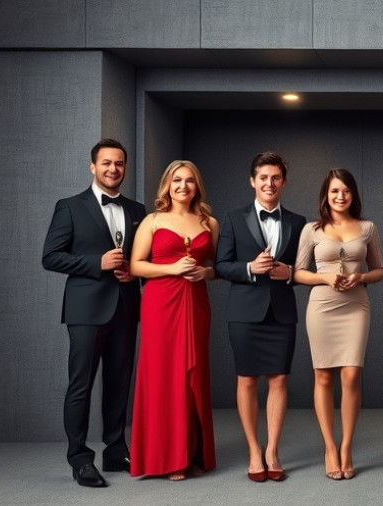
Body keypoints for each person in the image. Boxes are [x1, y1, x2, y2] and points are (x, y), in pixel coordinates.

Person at [42, 139, 147, 488]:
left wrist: (135, 272)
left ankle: (116, 451)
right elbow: (51, 256)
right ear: (92, 166)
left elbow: (145, 258)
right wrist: (95, 263)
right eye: (106, 163)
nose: (113, 169)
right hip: (86, 309)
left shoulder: (138, 210)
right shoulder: (70, 207)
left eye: (119, 164)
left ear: (124, 168)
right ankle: (80, 458)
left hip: (127, 306)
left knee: (119, 383)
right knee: (81, 385)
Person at [215, 151, 306, 483]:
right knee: (247, 381)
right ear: (253, 181)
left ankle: (273, 451)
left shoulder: (298, 222)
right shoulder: (233, 219)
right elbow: (220, 266)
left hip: (282, 313)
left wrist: (291, 273)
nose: (270, 183)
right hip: (244, 312)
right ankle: (254, 450)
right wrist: (250, 269)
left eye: (276, 177)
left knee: (279, 380)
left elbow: (307, 269)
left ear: (283, 181)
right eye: (263, 177)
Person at [293, 169, 383, 481]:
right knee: (322, 377)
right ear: (326, 195)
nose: (340, 196)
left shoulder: (368, 227)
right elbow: (298, 273)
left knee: (351, 375)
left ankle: (347, 447)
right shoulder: (312, 230)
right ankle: (329, 448)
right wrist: (325, 276)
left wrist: (360, 276)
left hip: (356, 306)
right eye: (334, 191)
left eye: (345, 191)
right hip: (322, 306)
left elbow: (380, 270)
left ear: (353, 195)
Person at [129, 160, 219, 480]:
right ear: (167, 184)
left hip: (195, 304)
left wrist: (203, 272)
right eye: (176, 180)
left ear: (197, 186)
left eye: (189, 181)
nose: (183, 186)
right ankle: (168, 457)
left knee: (193, 378)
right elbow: (136, 266)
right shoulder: (152, 221)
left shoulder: (209, 222)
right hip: (160, 305)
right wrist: (171, 269)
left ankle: (193, 453)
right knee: (164, 378)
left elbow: (215, 268)